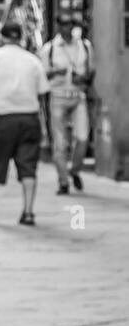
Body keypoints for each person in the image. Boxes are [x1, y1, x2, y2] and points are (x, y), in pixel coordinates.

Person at [0, 22, 50, 226]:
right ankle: (28, 211)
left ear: (2, 36)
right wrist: (43, 124)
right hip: (28, 118)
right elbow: (42, 95)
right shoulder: (32, 60)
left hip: (2, 118)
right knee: (28, 166)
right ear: (20, 37)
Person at [40, 14, 96, 195]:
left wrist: (85, 80)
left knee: (82, 137)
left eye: (70, 24)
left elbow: (91, 70)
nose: (67, 27)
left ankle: (75, 170)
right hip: (58, 96)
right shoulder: (49, 49)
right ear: (58, 26)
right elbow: (43, 76)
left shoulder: (84, 46)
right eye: (64, 24)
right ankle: (63, 180)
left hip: (78, 95)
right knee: (60, 142)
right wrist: (56, 71)